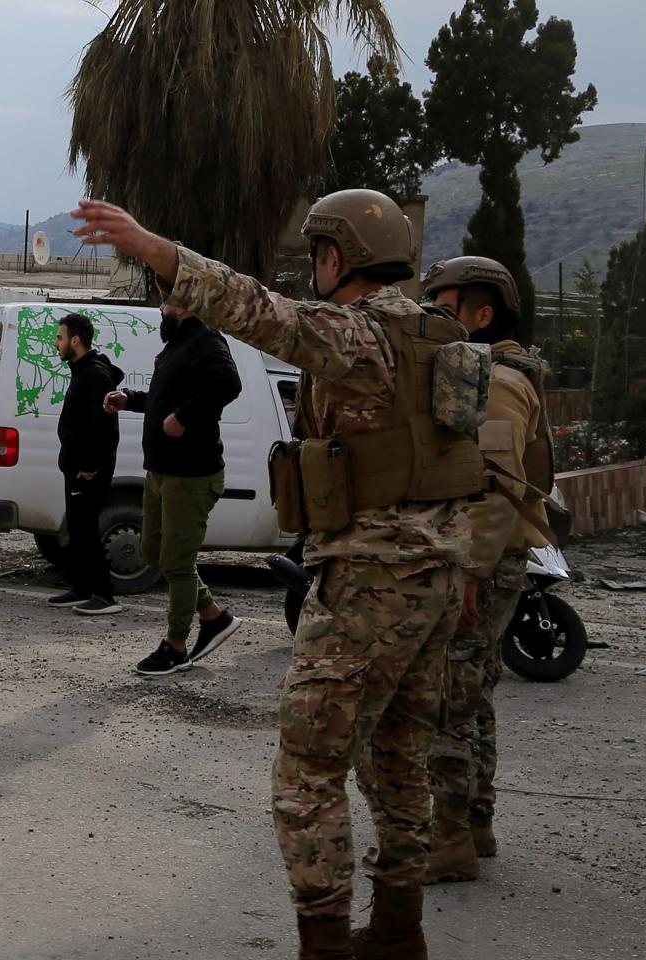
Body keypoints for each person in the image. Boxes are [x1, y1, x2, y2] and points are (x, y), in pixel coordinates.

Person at [73, 189, 483, 960]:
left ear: (337, 258)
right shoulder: (442, 335)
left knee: (309, 772)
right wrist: (459, 572)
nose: (314, 271)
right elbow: (461, 467)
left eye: (318, 257)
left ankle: (325, 944)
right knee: (398, 756)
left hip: (369, 582)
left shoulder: (357, 333)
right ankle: (399, 931)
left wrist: (157, 249)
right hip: (435, 580)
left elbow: (258, 310)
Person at [420, 256, 552, 882]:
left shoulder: (494, 378)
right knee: (474, 695)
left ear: (480, 314)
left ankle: (447, 839)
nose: (433, 320)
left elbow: (496, 488)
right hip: (492, 558)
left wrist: (466, 575)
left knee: (450, 695)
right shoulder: (487, 369)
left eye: (444, 308)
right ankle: (475, 822)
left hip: (483, 559)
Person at [102, 303, 243, 674]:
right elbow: (164, 400)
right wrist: (130, 400)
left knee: (178, 563)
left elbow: (230, 384)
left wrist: (184, 417)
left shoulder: (206, 340)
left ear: (183, 306)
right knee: (153, 551)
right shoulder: (177, 345)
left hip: (191, 475)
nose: (161, 308)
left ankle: (175, 646)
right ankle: (214, 616)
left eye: (166, 302)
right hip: (161, 472)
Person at [47, 312, 126, 616]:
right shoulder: (83, 370)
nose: (57, 343)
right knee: (77, 529)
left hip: (89, 468)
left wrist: (89, 464)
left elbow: (101, 426)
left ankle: (104, 595)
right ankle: (82, 587)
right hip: (76, 464)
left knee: (87, 529)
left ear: (75, 340)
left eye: (60, 337)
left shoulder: (94, 375)